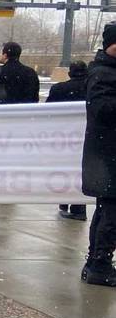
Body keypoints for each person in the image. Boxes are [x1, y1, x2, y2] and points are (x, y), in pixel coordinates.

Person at [81, 22, 116, 287]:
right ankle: (100, 265)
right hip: (108, 155)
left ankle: (96, 262)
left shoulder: (104, 70)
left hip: (106, 154)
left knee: (106, 210)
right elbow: (102, 110)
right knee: (111, 213)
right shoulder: (103, 73)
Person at [48, 60, 90, 221]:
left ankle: (65, 200)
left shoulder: (59, 89)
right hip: (87, 135)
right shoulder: (93, 89)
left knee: (65, 169)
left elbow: (48, 111)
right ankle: (79, 206)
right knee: (81, 171)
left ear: (70, 73)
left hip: (63, 136)